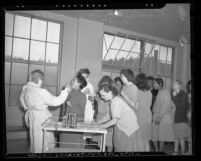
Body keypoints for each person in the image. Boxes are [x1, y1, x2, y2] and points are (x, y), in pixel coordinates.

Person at [19, 69, 70, 153]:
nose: (42, 81)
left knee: (35, 138)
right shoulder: (41, 91)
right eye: (42, 79)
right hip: (41, 118)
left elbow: (21, 100)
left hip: (31, 116)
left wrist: (27, 108)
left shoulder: (25, 88)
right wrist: (66, 90)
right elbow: (56, 101)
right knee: (42, 140)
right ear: (38, 79)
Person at [94, 84, 144, 152]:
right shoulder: (113, 100)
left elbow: (114, 121)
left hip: (128, 130)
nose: (102, 97)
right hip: (122, 128)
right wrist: (97, 123)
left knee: (123, 149)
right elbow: (108, 116)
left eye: (103, 95)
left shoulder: (116, 101)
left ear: (110, 92)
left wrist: (100, 126)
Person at [59, 74, 87, 149]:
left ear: (79, 84)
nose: (71, 81)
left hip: (75, 125)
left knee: (73, 146)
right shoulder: (69, 92)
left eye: (74, 80)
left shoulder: (82, 95)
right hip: (65, 122)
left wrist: (71, 106)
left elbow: (82, 111)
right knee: (63, 144)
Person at [151, 78, 175, 152]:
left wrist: (159, 117)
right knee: (159, 136)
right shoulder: (160, 92)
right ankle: (158, 151)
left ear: (160, 84)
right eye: (153, 83)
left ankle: (158, 151)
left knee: (156, 136)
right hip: (159, 116)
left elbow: (166, 105)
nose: (153, 85)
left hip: (161, 117)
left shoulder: (164, 92)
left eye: (154, 83)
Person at [94, 75, 114, 152]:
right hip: (101, 118)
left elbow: (109, 111)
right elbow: (98, 107)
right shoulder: (99, 92)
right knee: (102, 143)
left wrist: (98, 101)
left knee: (109, 143)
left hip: (108, 120)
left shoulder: (112, 95)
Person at [171, 80, 191, 155]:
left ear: (179, 85)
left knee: (181, 139)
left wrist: (174, 96)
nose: (173, 85)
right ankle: (175, 151)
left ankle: (182, 153)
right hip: (176, 118)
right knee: (176, 137)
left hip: (181, 119)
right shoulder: (176, 93)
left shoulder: (183, 94)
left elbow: (180, 105)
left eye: (174, 84)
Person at [77, 68, 95, 143]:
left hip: (87, 108)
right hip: (78, 107)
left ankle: (83, 144)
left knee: (85, 128)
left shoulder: (90, 85)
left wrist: (92, 107)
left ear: (88, 77)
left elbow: (92, 98)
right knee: (78, 128)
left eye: (86, 77)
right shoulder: (77, 84)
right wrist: (82, 93)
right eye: (82, 77)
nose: (84, 79)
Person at [135, 73, 152, 151]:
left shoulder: (138, 92)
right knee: (146, 140)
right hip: (148, 115)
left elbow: (136, 107)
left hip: (140, 116)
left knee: (139, 140)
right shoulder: (149, 91)